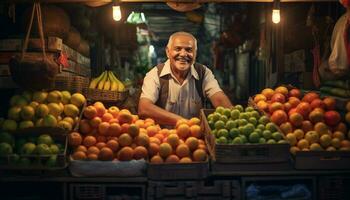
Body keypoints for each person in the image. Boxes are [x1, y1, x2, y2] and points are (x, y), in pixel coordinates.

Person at [138, 32, 233, 126]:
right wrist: (185, 123)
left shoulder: (203, 73)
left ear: (195, 54)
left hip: (195, 138)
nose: (183, 54)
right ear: (168, 52)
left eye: (189, 50)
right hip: (163, 138)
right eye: (177, 49)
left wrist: (235, 118)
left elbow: (219, 99)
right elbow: (144, 109)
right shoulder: (155, 74)